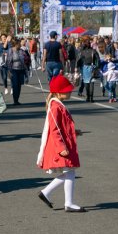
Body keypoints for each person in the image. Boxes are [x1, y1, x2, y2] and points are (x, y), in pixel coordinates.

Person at [36, 74, 85, 213]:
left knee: (69, 172)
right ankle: (67, 202)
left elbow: (62, 126)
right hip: (61, 146)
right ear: (58, 92)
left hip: (64, 144)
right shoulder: (55, 107)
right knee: (70, 171)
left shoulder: (58, 105)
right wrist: (61, 147)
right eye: (67, 90)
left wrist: (75, 131)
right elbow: (54, 129)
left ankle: (46, 192)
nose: (70, 91)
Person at [6, 40, 29, 105]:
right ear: (15, 44)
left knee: (19, 85)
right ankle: (15, 100)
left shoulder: (21, 51)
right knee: (15, 85)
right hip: (14, 70)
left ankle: (17, 100)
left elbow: (26, 59)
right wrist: (9, 71)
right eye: (19, 44)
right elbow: (8, 61)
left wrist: (27, 57)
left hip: (21, 69)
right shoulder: (11, 50)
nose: (20, 45)